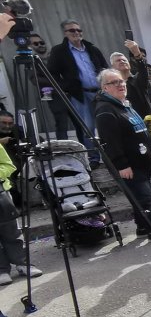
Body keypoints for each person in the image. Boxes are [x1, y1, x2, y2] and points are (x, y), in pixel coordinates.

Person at [94, 69, 151, 241]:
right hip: (129, 164)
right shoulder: (106, 110)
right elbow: (110, 141)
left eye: (121, 81)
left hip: (141, 161)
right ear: (104, 88)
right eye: (114, 82)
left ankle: (142, 228)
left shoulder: (124, 104)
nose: (120, 84)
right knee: (143, 198)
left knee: (143, 196)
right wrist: (121, 165)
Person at [45, 19, 108, 163]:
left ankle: (111, 154)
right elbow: (52, 73)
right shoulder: (59, 51)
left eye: (79, 30)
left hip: (100, 93)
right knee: (87, 127)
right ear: (65, 33)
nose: (76, 33)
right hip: (79, 94)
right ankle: (93, 158)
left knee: (106, 123)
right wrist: (65, 88)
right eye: (72, 30)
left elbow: (104, 66)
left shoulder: (92, 48)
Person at [0, 141, 43, 286]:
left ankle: (23, 264)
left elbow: (9, 166)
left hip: (1, 193)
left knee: (11, 230)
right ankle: (2, 270)